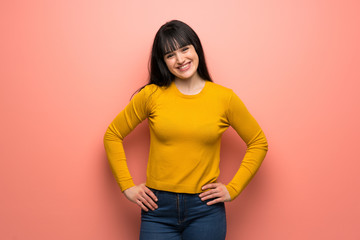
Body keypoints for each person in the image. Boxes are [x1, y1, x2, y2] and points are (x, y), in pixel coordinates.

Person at [103, 19, 268, 240]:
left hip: (205, 210)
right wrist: (127, 186)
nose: (180, 59)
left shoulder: (224, 98)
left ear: (195, 48)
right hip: (157, 210)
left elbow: (258, 142)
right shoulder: (152, 95)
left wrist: (234, 188)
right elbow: (112, 135)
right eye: (170, 55)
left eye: (184, 49)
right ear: (163, 61)